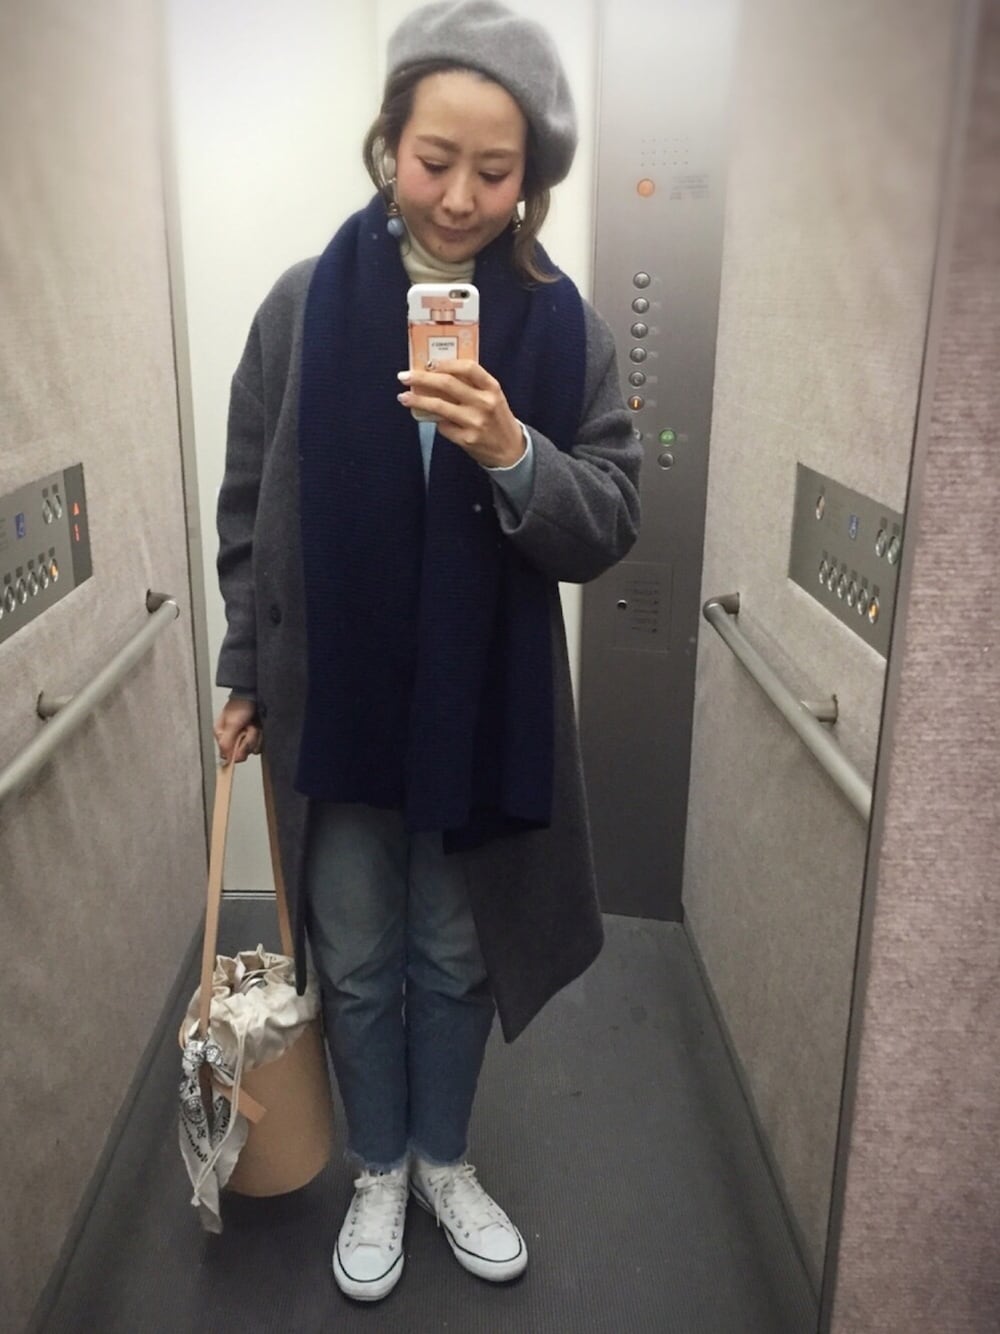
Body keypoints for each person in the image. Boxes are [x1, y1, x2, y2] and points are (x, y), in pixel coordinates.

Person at [212, 0, 641, 1305]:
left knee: (456, 955)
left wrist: (513, 451)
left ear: (533, 177)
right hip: (340, 701)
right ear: (387, 145)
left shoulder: (563, 328)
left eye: (494, 171)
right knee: (354, 956)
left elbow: (610, 517)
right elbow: (250, 507)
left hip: (481, 704)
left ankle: (446, 1158)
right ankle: (380, 1168)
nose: (458, 197)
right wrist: (243, 665)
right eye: (433, 159)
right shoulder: (302, 307)